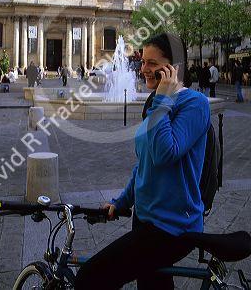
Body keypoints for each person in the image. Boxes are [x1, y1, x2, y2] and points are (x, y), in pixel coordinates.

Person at [74, 33, 210, 290]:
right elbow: (144, 163)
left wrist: (163, 100)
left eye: (152, 63)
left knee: (90, 278)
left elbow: (164, 153)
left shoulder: (195, 104)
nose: (142, 69)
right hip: (146, 219)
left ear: (174, 67)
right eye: (142, 61)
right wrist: (121, 202)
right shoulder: (155, 102)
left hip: (173, 228)